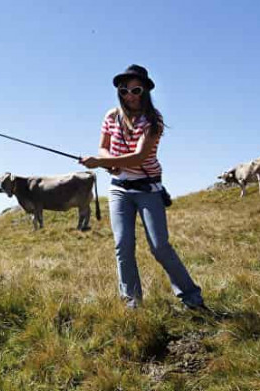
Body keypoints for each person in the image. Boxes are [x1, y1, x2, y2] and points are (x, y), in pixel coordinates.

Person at [80, 64, 205, 309]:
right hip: (119, 190)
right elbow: (103, 147)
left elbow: (138, 157)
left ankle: (192, 299)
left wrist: (102, 162)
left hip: (148, 189)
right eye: (124, 90)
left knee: (159, 247)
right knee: (123, 246)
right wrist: (109, 165)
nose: (130, 95)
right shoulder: (111, 116)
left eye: (136, 90)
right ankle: (132, 304)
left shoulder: (153, 119)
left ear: (145, 91)